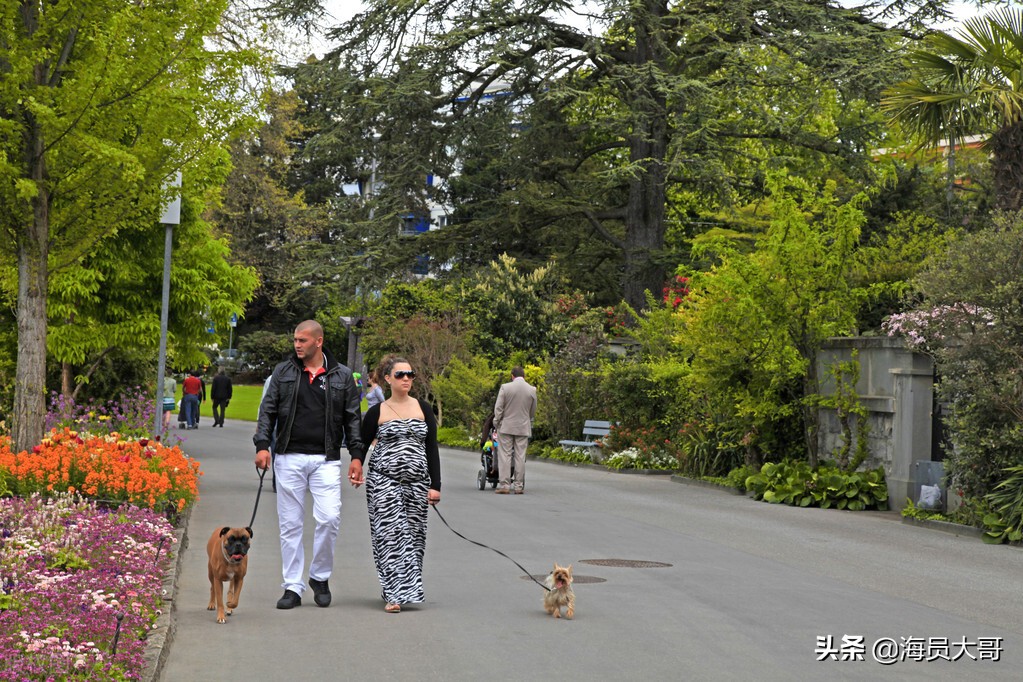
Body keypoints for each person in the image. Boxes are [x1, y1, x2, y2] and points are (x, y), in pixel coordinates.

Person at [254, 320, 365, 610]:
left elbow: (353, 418)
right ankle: (292, 585)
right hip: (288, 456)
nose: (297, 345)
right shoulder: (284, 372)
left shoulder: (341, 376)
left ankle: (319, 576)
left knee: (329, 518)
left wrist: (356, 456)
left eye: (302, 340)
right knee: (290, 525)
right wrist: (263, 446)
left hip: (325, 458)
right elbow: (268, 410)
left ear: (318, 341)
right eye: (295, 340)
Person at [351, 355, 441, 613]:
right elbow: (361, 444)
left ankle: (401, 587)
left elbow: (431, 449)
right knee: (391, 536)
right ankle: (394, 594)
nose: (406, 379)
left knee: (413, 537)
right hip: (383, 481)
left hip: (417, 483)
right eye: (400, 374)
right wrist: (357, 463)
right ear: (387, 379)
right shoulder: (376, 412)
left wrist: (435, 486)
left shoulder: (423, 409)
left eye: (410, 374)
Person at [493, 366, 537, 494]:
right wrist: (526, 419)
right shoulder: (532, 390)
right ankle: (518, 486)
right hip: (523, 426)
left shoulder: (505, 388)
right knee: (520, 456)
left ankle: (505, 485)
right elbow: (532, 411)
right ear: (524, 376)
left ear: (512, 376)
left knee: (505, 455)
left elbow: (499, 408)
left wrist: (497, 421)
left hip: (506, 426)